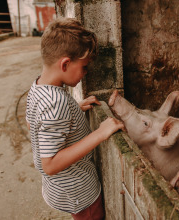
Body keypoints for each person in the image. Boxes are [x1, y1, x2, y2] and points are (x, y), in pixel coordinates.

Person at [25, 17, 125, 220]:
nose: (85, 73)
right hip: (78, 193)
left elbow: (34, 123)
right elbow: (50, 165)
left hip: (60, 188)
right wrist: (100, 133)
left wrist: (74, 109)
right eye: (84, 67)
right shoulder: (56, 102)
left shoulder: (37, 87)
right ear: (65, 64)